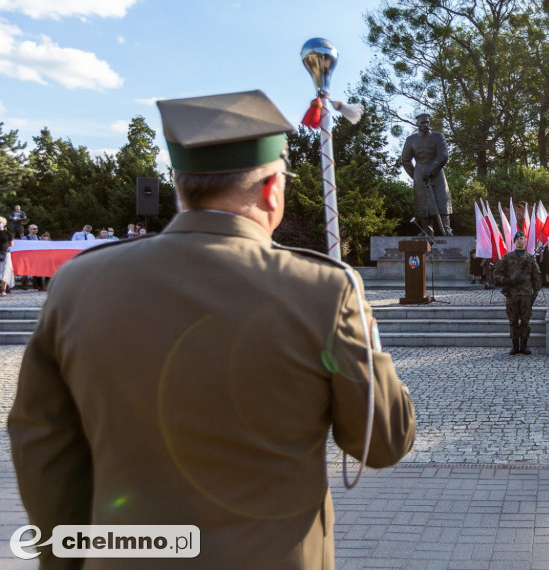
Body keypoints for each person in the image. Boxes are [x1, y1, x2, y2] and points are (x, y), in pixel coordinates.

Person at [8, 90, 416, 569]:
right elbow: (384, 441)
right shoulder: (323, 292)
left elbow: (43, 446)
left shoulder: (79, 282)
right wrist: (367, 341)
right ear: (271, 188)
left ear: (181, 186)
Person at [401, 112, 452, 236]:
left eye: (427, 122)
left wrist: (431, 170)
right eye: (423, 123)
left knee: (441, 199)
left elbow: (443, 155)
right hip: (419, 174)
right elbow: (405, 160)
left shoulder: (438, 136)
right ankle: (426, 230)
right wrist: (416, 176)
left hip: (437, 173)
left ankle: (446, 228)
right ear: (417, 124)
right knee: (422, 202)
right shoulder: (411, 140)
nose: (426, 125)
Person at [493, 230, 542, 356]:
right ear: (514, 242)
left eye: (522, 239)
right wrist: (505, 280)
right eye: (518, 239)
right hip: (512, 294)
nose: (520, 240)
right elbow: (496, 273)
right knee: (513, 320)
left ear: (525, 241)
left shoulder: (530, 258)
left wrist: (536, 291)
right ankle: (515, 347)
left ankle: (524, 346)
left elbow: (536, 276)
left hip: (526, 294)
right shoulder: (507, 257)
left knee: (525, 321)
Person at [0, 217, 11, 297]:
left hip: (5, 254)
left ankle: (3, 290)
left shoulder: (8, 233)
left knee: (5, 273)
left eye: (1, 222)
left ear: (4, 223)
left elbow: (11, 244)